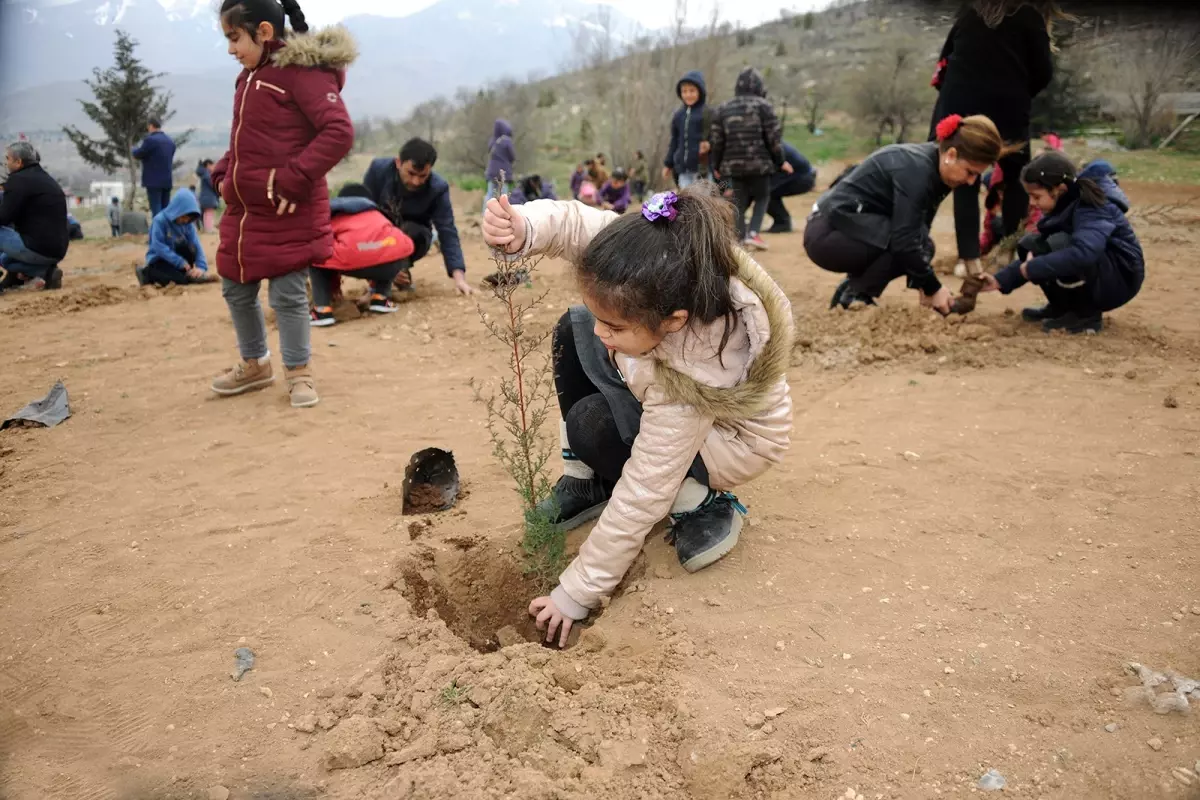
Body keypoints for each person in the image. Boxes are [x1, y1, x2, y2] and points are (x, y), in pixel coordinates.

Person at [482, 186, 794, 647]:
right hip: (653, 375)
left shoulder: (693, 371)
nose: (603, 334)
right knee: (574, 325)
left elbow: (646, 485)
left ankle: (698, 501)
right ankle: (587, 480)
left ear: (673, 320)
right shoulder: (652, 254)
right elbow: (576, 224)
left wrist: (576, 592)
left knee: (594, 424)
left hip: (729, 443)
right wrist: (522, 226)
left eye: (616, 327)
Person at [207, 0, 355, 409]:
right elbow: (244, 140)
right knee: (236, 287)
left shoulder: (299, 73)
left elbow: (338, 132)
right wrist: (222, 173)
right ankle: (255, 364)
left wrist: (293, 180)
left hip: (288, 207)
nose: (230, 49)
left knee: (287, 295)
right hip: (244, 210)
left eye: (234, 38)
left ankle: (299, 373)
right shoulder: (249, 78)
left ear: (265, 32)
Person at [804, 114, 1015, 315]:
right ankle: (855, 297)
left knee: (923, 245)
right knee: (907, 243)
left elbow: (919, 229)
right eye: (970, 172)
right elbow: (904, 240)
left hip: (851, 229)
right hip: (826, 235)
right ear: (951, 155)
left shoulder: (938, 168)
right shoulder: (918, 171)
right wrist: (933, 287)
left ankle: (853, 293)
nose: (971, 182)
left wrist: (922, 284)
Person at [930, 0, 1055, 278]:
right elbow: (1043, 72)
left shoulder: (969, 10)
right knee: (1015, 180)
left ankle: (969, 260)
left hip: (961, 102)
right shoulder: (1030, 14)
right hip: (1008, 107)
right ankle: (1006, 253)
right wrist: (1018, 88)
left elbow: (946, 56)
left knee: (964, 179)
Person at [979, 153, 1142, 334]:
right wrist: (1000, 280)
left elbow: (1085, 253)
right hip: (1105, 273)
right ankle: (1062, 307)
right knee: (1034, 244)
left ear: (1060, 189)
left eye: (1036, 196)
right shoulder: (1062, 205)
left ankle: (1086, 315)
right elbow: (1038, 251)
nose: (1032, 202)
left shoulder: (1091, 207)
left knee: (1061, 246)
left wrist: (1033, 268)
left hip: (1120, 279)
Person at [362, 138, 473, 296]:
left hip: (415, 237)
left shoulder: (438, 188)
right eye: (411, 173)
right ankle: (382, 278)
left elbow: (447, 230)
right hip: (379, 235)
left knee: (409, 231)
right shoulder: (378, 171)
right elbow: (364, 214)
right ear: (398, 163)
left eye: (423, 176)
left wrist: (459, 278)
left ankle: (399, 271)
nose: (415, 181)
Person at [309, 183, 414, 326]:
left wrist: (333, 287)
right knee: (392, 250)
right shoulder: (378, 214)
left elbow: (325, 245)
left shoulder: (334, 214)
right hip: (388, 261)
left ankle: (322, 310)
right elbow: (402, 242)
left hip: (351, 258)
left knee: (315, 253)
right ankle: (381, 298)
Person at [710, 67, 789, 251]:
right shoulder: (764, 106)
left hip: (733, 166)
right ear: (759, 86)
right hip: (759, 164)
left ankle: (738, 240)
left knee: (739, 200)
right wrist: (780, 161)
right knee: (762, 197)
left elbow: (716, 140)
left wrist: (717, 164)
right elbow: (773, 139)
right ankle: (753, 234)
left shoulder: (723, 108)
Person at [0, 141, 66, 292]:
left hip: (37, 247)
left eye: (8, 159)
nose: (6, 163)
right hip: (57, 249)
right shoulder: (44, 178)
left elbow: (4, 218)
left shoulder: (18, 181)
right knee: (6, 260)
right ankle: (48, 273)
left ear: (18, 162)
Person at [136, 188, 218, 287]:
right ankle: (146, 273)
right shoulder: (160, 220)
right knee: (179, 281)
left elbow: (196, 244)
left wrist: (201, 267)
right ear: (177, 210)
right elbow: (158, 246)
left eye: (188, 219)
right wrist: (179, 261)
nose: (185, 221)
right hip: (160, 259)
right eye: (183, 217)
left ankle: (189, 275)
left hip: (178, 259)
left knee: (191, 250)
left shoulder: (188, 224)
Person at [662, 70, 711, 190]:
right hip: (683, 169)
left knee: (704, 203)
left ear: (700, 91)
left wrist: (710, 147)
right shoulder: (678, 115)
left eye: (692, 91)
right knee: (686, 203)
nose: (688, 95)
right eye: (684, 91)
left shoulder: (707, 113)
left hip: (702, 168)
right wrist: (668, 164)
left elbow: (716, 138)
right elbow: (674, 141)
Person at [765, 142, 817, 234]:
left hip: (801, 177)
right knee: (765, 191)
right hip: (800, 175)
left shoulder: (769, 145)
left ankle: (782, 222)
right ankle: (782, 221)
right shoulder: (771, 141)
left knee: (764, 193)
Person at [132, 118, 177, 217]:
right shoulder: (170, 141)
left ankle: (158, 231)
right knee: (166, 208)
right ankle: (166, 230)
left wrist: (133, 149)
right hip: (167, 180)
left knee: (156, 209)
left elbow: (138, 154)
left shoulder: (150, 140)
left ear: (151, 126)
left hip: (153, 181)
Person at [484, 119, 516, 215]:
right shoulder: (507, 141)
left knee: (490, 194)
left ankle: (486, 213)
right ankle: (504, 214)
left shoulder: (492, 141)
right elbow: (512, 157)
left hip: (491, 171)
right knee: (504, 195)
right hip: (503, 172)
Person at [195, 159, 220, 232]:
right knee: (208, 213)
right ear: (208, 165)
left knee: (206, 214)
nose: (214, 167)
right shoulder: (207, 175)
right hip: (208, 198)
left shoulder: (204, 174)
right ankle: (209, 229)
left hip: (205, 197)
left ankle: (206, 228)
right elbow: (213, 185)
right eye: (213, 165)